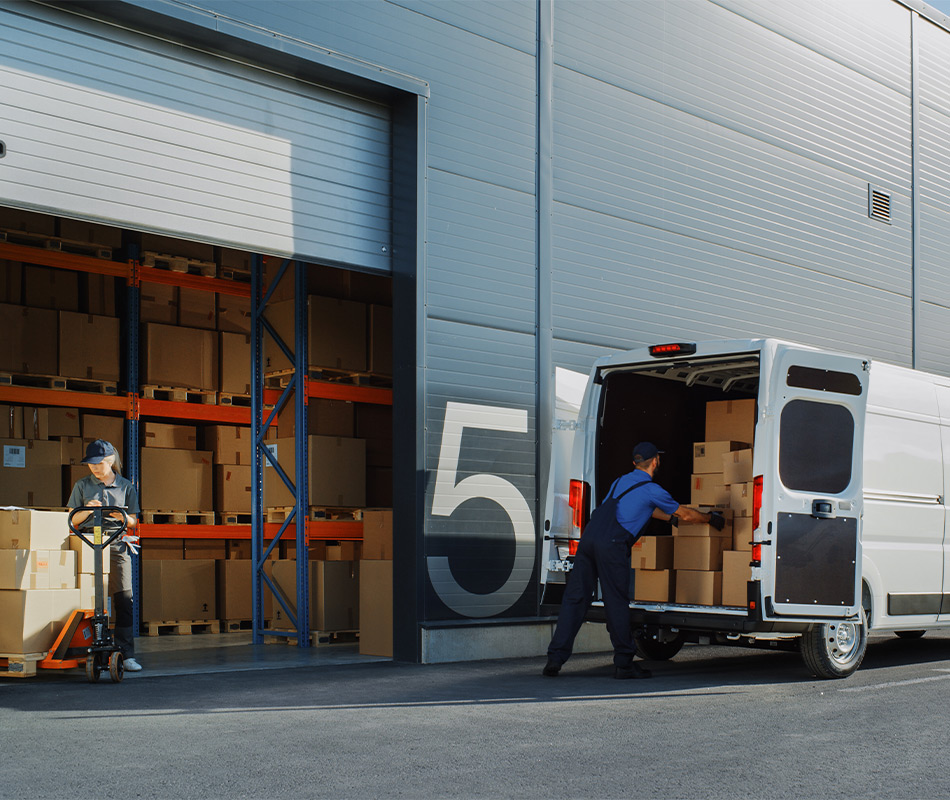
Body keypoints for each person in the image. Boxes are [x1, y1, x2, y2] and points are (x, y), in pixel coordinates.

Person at [543, 441, 725, 679]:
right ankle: (624, 664)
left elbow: (641, 508)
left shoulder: (620, 482)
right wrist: (711, 519)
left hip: (589, 540)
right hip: (612, 546)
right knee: (616, 602)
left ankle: (554, 660)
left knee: (575, 599)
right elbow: (687, 514)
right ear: (656, 461)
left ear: (635, 462)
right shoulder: (653, 490)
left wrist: (668, 520)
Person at [67, 439, 143, 672]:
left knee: (124, 599)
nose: (95, 468)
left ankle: (126, 654)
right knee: (88, 599)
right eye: (91, 464)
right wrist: (86, 509)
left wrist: (120, 516)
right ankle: (83, 648)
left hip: (116, 542)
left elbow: (133, 522)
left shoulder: (125, 487)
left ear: (110, 461)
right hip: (88, 542)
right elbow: (71, 520)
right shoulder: (82, 485)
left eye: (99, 463)